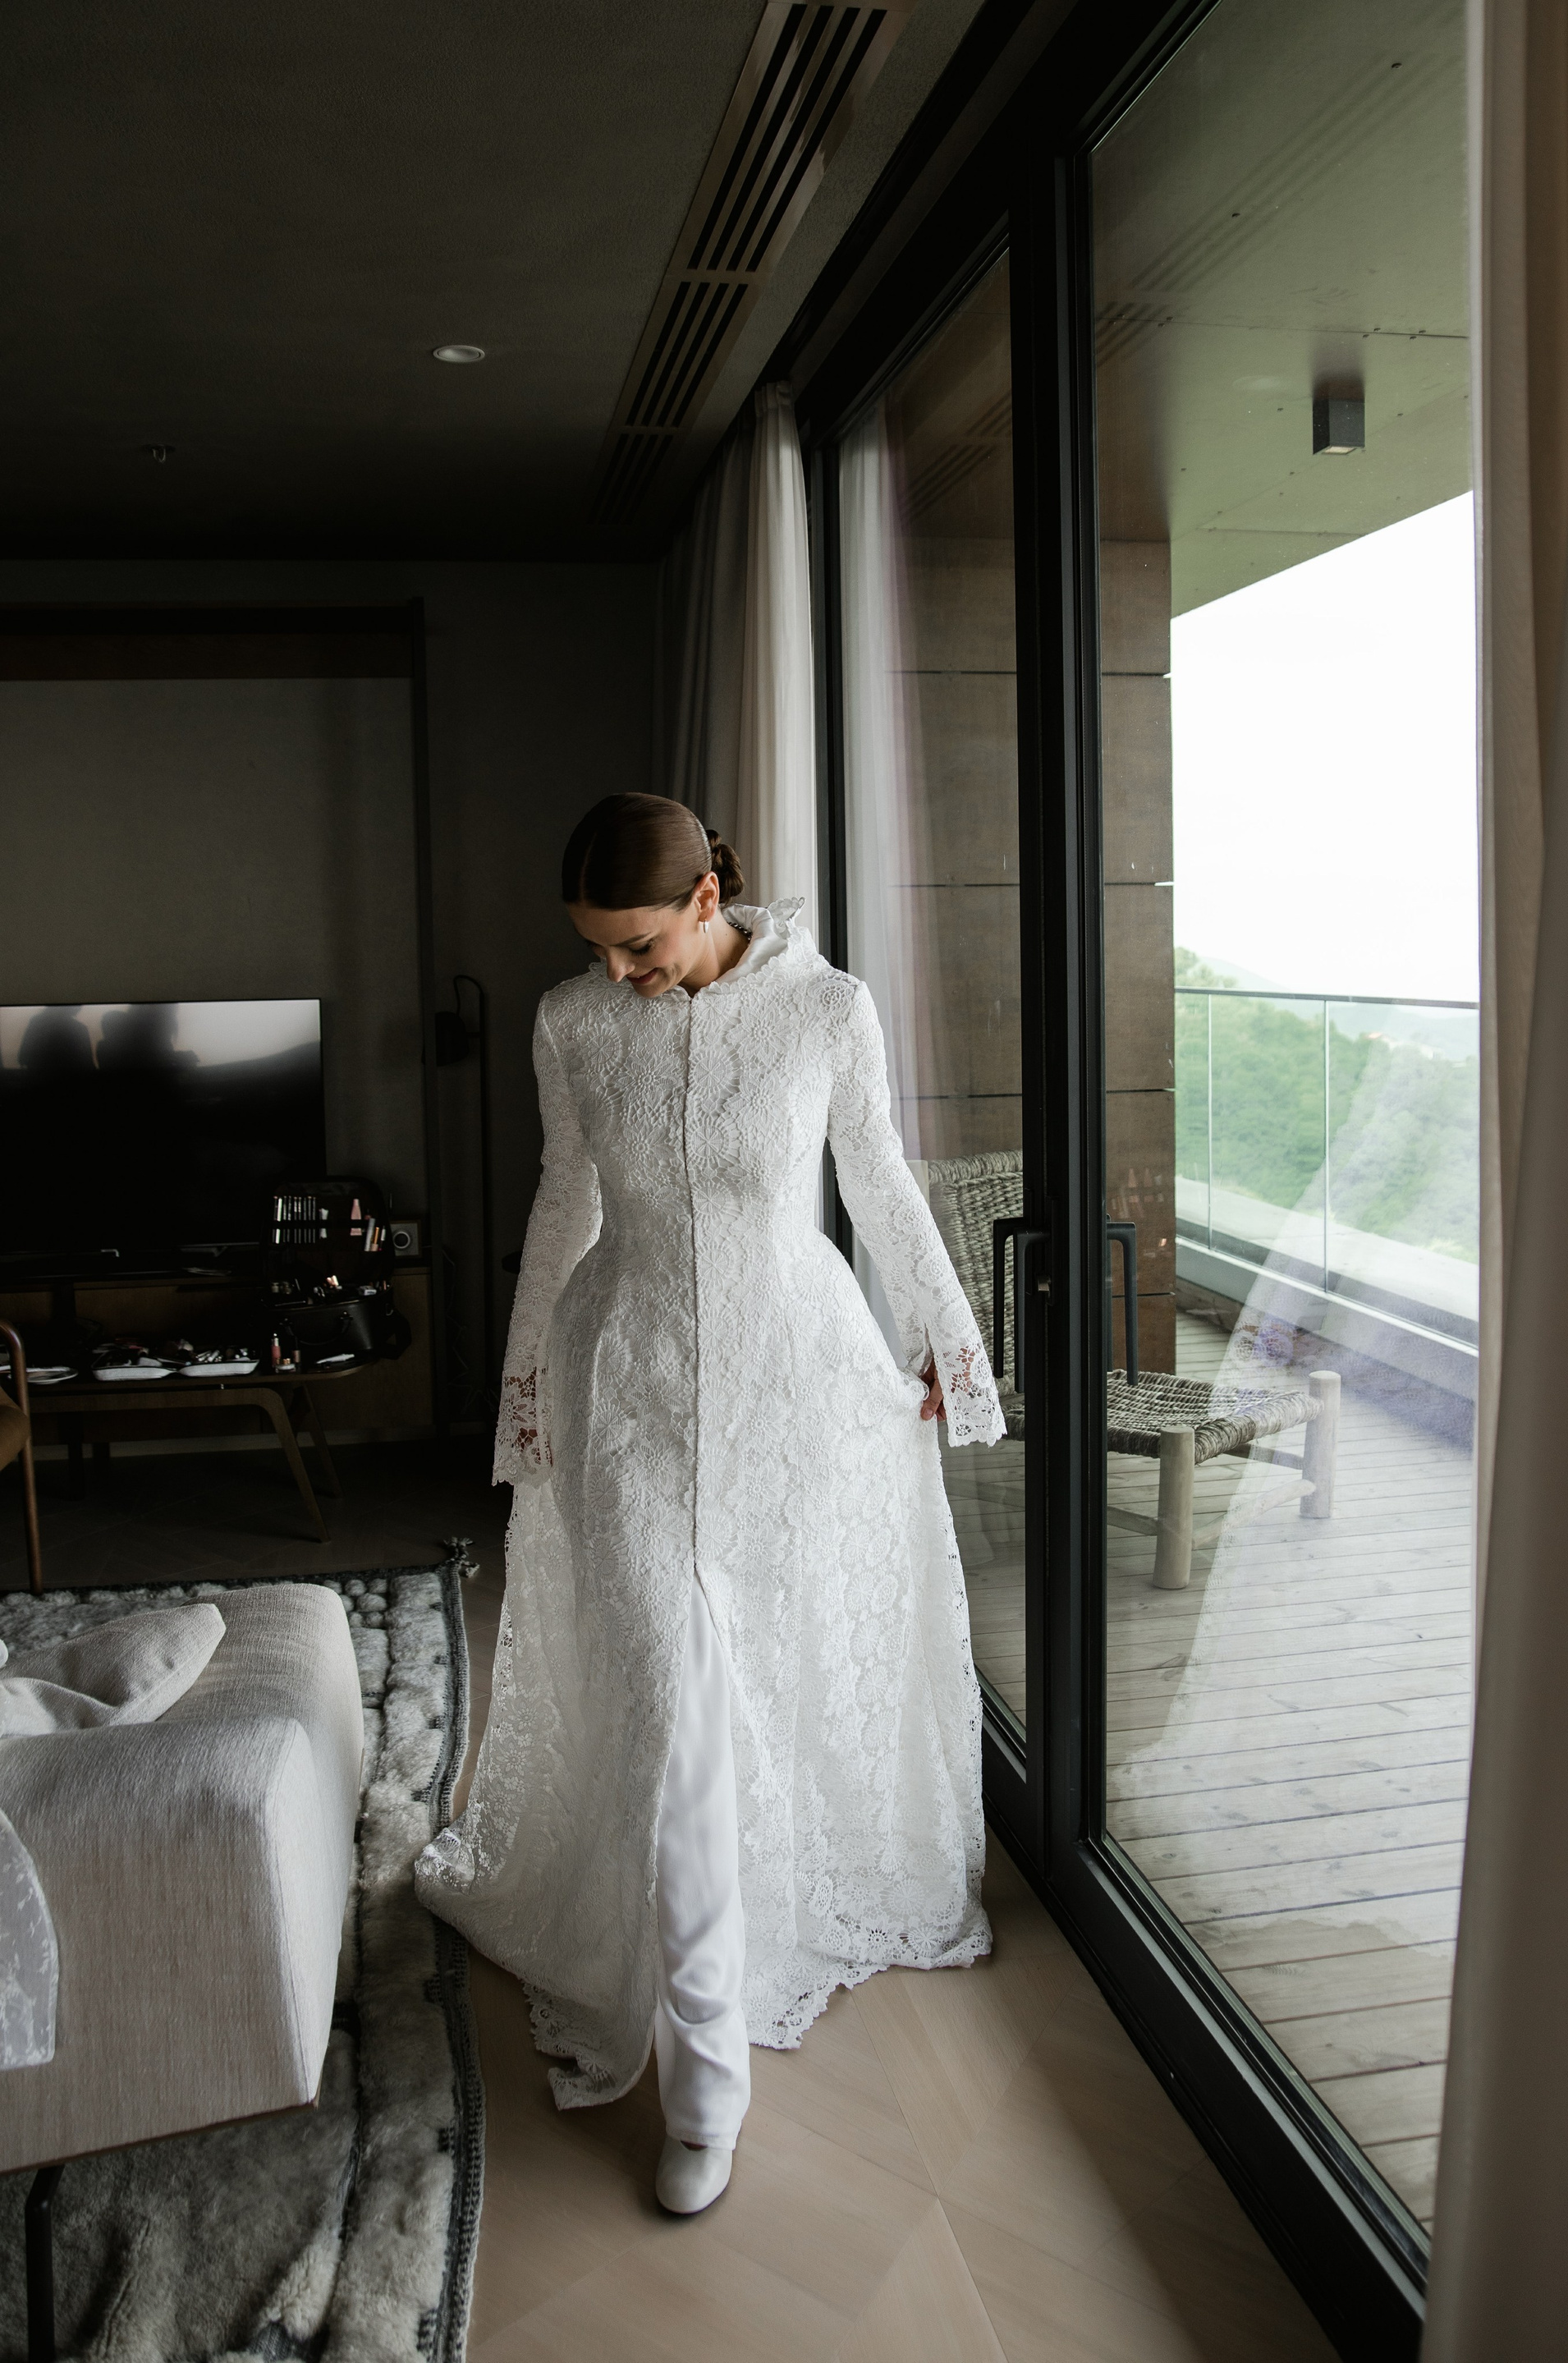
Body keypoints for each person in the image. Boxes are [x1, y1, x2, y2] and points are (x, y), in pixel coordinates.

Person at [417, 792, 1004, 2216]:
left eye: (639, 944)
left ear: (705, 895)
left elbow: (878, 1177)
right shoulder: (572, 1023)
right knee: (672, 1702)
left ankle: (742, 1968)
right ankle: (704, 2089)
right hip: (625, 1382)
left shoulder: (828, 1010)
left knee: (754, 1698)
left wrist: (949, 1337)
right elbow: (564, 1201)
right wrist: (524, 1386)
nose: (619, 972)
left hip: (791, 1385)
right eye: (598, 950)